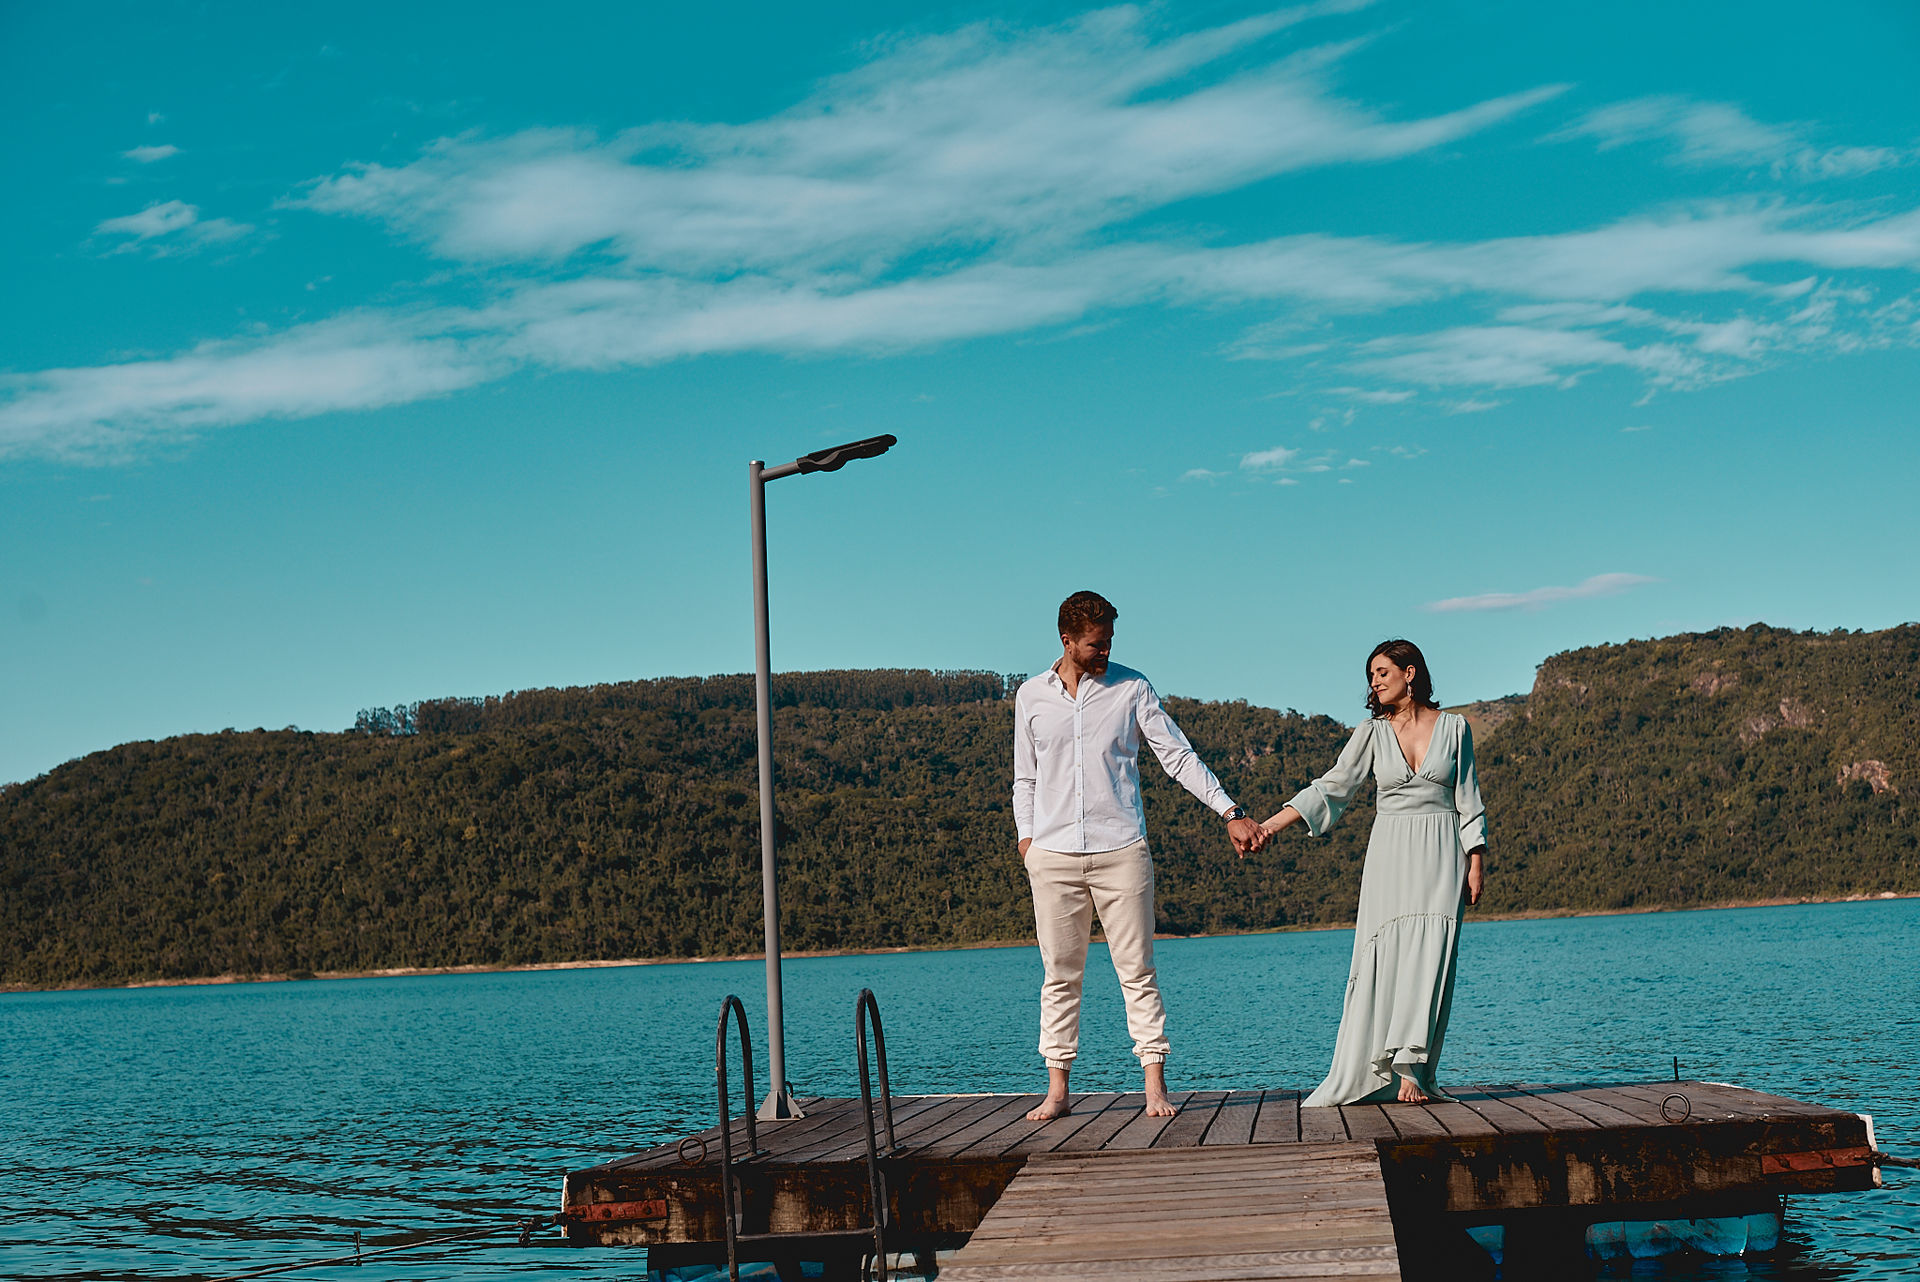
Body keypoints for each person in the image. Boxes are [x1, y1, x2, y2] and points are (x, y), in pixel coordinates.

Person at [1013, 590, 1267, 1121]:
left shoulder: (1132, 688)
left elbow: (1176, 755)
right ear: (1067, 640)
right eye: (1094, 645)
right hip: (1052, 856)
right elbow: (1025, 778)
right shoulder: (1030, 696)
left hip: (1121, 849)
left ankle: (1155, 1087)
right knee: (1059, 974)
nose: (1104, 652)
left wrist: (1229, 811)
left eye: (1108, 643)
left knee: (1138, 971)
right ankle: (1058, 1091)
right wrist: (1027, 841)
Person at [1256, 639, 1487, 1106]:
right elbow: (1332, 788)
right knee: (1388, 954)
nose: (1375, 681)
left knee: (1431, 953)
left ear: (1411, 673)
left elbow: (1469, 799)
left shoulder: (1456, 728)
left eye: (1383, 672)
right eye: (1372, 675)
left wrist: (1476, 859)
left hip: (1443, 851)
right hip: (1390, 853)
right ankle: (1382, 1066)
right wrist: (1269, 825)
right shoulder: (1371, 732)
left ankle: (1412, 1070)